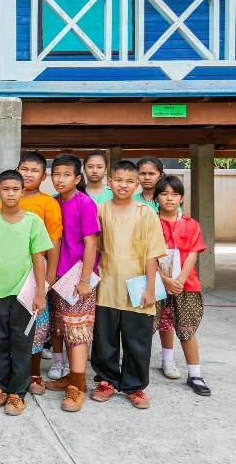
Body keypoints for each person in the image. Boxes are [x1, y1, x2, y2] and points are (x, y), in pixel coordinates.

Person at [0, 170, 53, 416]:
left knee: (21, 342)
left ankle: (18, 394)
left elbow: (38, 258)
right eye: (5, 189)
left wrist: (41, 292)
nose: (10, 193)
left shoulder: (33, 221)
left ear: (22, 191)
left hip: (24, 294)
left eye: (15, 189)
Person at [91, 160, 166, 410]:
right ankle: (106, 381)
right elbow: (93, 248)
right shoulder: (100, 210)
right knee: (105, 338)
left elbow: (153, 254)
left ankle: (135, 386)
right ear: (110, 182)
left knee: (138, 339)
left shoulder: (146, 214)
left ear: (137, 185)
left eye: (129, 181)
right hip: (107, 284)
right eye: (118, 180)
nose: (123, 185)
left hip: (138, 285)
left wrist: (150, 288)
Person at [43, 155, 100, 412]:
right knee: (61, 328)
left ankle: (78, 386)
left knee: (77, 332)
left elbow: (91, 243)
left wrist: (86, 279)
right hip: (56, 277)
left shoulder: (85, 204)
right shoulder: (53, 202)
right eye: (56, 174)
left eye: (66, 174)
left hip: (78, 277)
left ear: (78, 178)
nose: (60, 179)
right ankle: (70, 377)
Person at [9, 151, 62, 396]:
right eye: (24, 169)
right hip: (9, 273)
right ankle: (11, 369)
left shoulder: (48, 203)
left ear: (43, 176)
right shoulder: (7, 199)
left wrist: (50, 275)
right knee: (11, 324)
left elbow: (54, 241)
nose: (28, 174)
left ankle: (34, 373)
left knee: (37, 325)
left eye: (34, 171)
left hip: (35, 274)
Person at [154, 175, 210, 396]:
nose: (169, 198)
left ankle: (195, 374)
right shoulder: (151, 222)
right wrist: (164, 280)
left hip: (186, 285)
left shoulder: (190, 224)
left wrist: (178, 281)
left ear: (182, 198)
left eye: (174, 194)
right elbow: (147, 255)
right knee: (156, 324)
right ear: (156, 197)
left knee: (187, 329)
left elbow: (193, 254)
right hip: (157, 283)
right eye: (164, 194)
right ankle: (162, 363)